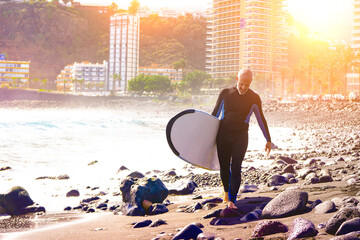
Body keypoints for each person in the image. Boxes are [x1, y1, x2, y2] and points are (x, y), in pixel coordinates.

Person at [211, 68, 272, 209]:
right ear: (237, 79)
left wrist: (268, 139)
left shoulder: (254, 98)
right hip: (223, 135)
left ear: (251, 82)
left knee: (236, 166)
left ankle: (232, 200)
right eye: (241, 83)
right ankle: (226, 193)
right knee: (224, 166)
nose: (244, 87)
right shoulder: (225, 93)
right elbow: (214, 115)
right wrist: (203, 137)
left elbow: (261, 119)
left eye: (247, 84)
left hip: (241, 136)